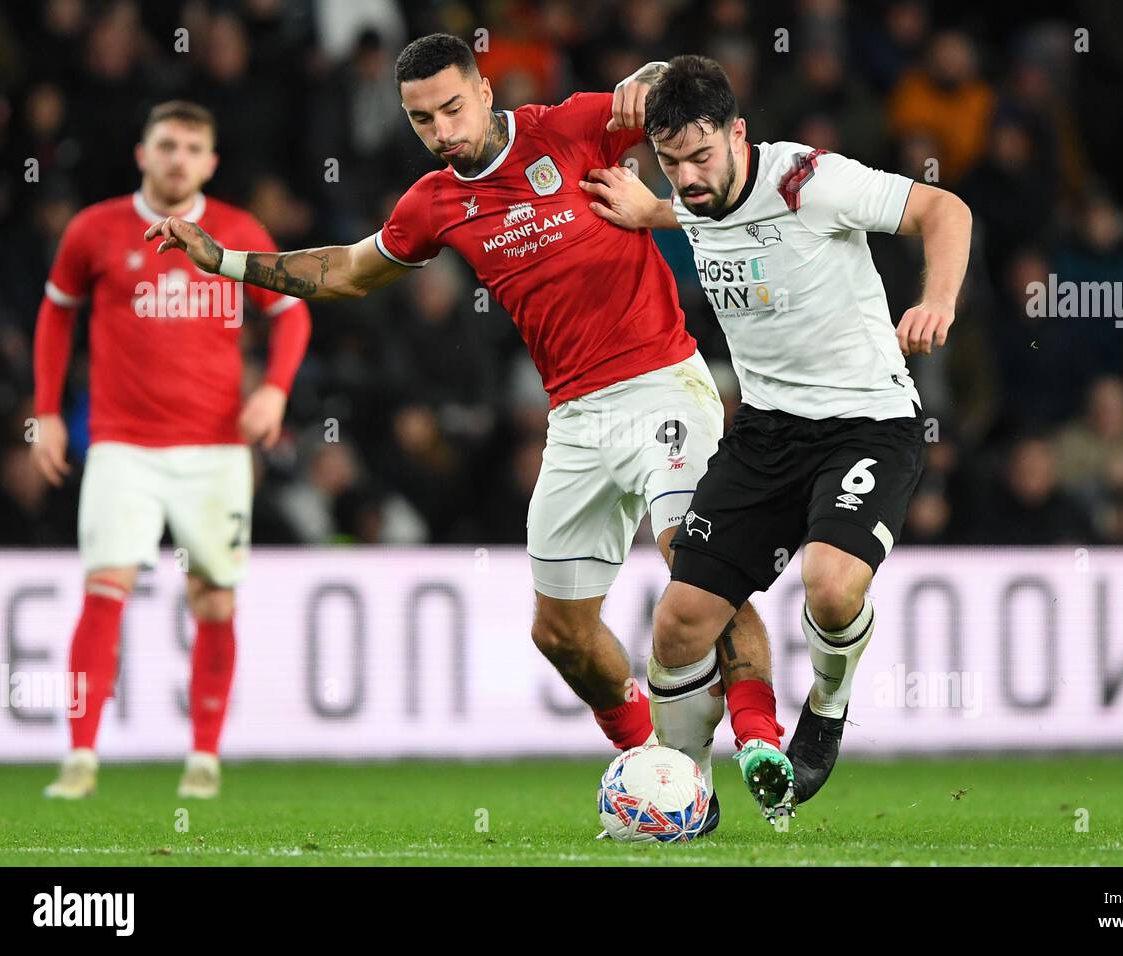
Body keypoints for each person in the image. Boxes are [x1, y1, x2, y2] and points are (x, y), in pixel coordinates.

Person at [145, 34, 773, 834]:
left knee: (697, 558)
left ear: (484, 88)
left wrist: (650, 74)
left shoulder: (571, 125)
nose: (442, 131)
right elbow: (345, 270)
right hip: (577, 416)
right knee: (561, 633)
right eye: (421, 120)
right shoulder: (434, 203)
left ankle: (760, 736)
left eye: (451, 107)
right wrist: (224, 262)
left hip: (663, 382)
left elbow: (684, 95)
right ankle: (656, 767)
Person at [581, 55, 971, 820]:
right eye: (670, 163)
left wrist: (938, 302)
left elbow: (945, 210)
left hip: (867, 423)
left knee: (830, 588)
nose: (687, 177)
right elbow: (695, 209)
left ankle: (827, 705)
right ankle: (684, 795)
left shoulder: (809, 181)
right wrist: (646, 206)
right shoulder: (690, 194)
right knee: (679, 621)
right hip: (764, 433)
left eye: (700, 156)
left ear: (738, 133)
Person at [35, 101, 313, 799]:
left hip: (216, 451)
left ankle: (204, 758)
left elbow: (292, 310)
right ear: (142, 153)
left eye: (193, 147)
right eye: (167, 145)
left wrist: (275, 390)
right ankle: (80, 758)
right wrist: (44, 412)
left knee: (213, 601)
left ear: (211, 163)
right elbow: (55, 313)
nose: (178, 158)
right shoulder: (94, 229)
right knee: (105, 593)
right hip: (122, 447)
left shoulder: (237, 230)